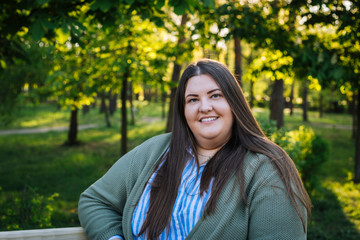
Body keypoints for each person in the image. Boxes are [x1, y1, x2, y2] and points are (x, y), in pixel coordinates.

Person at [78, 59, 311, 240]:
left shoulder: (268, 167)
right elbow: (95, 201)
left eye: (215, 95)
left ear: (234, 103)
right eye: (192, 100)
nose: (205, 107)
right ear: (183, 110)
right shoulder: (155, 151)